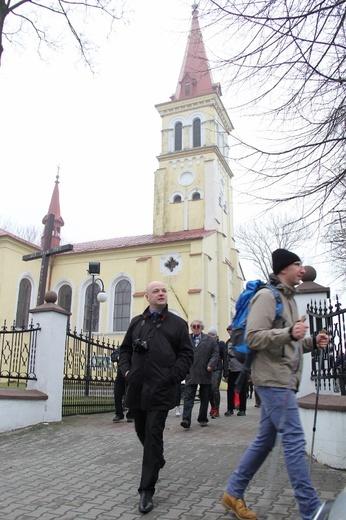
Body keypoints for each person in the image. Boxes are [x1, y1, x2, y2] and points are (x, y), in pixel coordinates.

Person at [222, 249, 329, 520]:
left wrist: (311, 342)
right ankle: (311, 509)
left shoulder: (289, 299)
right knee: (294, 440)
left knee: (264, 441)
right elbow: (255, 337)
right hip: (272, 380)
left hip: (283, 379)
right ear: (284, 269)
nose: (302, 270)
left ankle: (233, 493)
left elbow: (287, 343)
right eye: (297, 265)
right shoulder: (267, 296)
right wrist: (289, 332)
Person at [119, 281, 193, 514]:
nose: (161, 294)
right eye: (156, 291)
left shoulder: (178, 324)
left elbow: (186, 354)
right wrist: (127, 370)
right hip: (138, 387)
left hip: (161, 389)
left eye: (164, 291)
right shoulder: (137, 322)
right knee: (141, 430)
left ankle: (146, 491)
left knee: (152, 434)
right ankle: (157, 458)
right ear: (147, 297)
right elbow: (125, 350)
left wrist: (172, 375)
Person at [180, 319, 219, 428]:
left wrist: (211, 364)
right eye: (194, 326)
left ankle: (202, 418)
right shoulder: (186, 339)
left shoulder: (210, 340)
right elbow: (181, 352)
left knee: (205, 397)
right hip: (191, 372)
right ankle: (186, 420)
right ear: (191, 328)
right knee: (188, 397)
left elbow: (215, 353)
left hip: (205, 371)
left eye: (198, 326)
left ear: (202, 328)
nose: (196, 328)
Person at [224, 330, 248, 417]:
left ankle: (242, 409)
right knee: (230, 390)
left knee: (242, 390)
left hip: (242, 369)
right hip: (231, 369)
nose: (230, 333)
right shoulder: (228, 342)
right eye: (229, 332)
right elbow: (226, 356)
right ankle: (230, 409)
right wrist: (225, 370)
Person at [207, 327, 227, 418]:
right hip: (208, 369)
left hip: (217, 369)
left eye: (213, 334)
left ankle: (217, 409)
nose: (211, 336)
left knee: (215, 388)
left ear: (216, 336)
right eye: (210, 335)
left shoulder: (221, 344)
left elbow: (225, 358)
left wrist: (225, 371)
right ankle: (212, 407)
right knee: (209, 390)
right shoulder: (206, 344)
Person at [111, 346, 133, 423]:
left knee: (131, 395)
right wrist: (117, 357)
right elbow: (113, 356)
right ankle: (119, 414)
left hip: (131, 375)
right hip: (120, 375)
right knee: (117, 394)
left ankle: (131, 415)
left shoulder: (135, 348)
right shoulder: (122, 348)